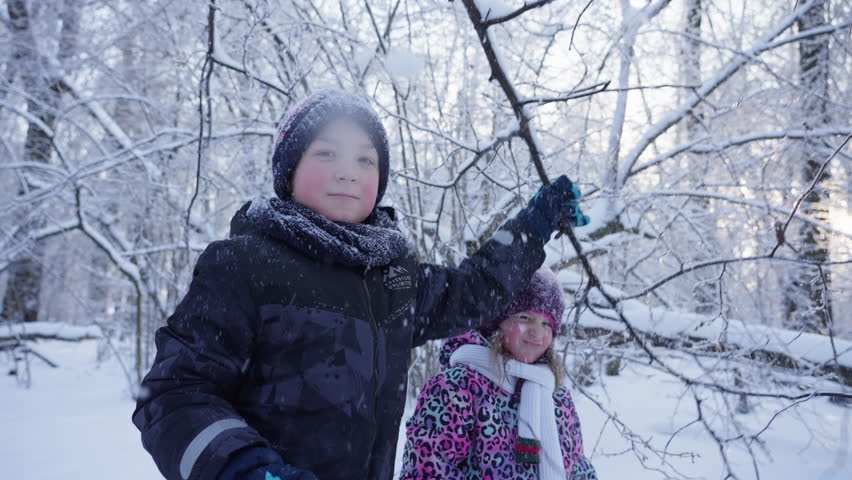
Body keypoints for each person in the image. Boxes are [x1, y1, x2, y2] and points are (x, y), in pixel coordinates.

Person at [132, 88, 589, 480]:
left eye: (365, 159)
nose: (348, 171)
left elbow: (471, 290)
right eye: (326, 153)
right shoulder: (244, 264)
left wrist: (535, 223)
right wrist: (244, 467)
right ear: (289, 170)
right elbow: (176, 394)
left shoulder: (390, 280)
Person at [400, 266, 597, 480]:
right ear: (495, 321)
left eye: (546, 324)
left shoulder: (556, 395)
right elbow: (427, 470)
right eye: (524, 317)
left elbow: (578, 466)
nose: (537, 332)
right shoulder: (457, 387)